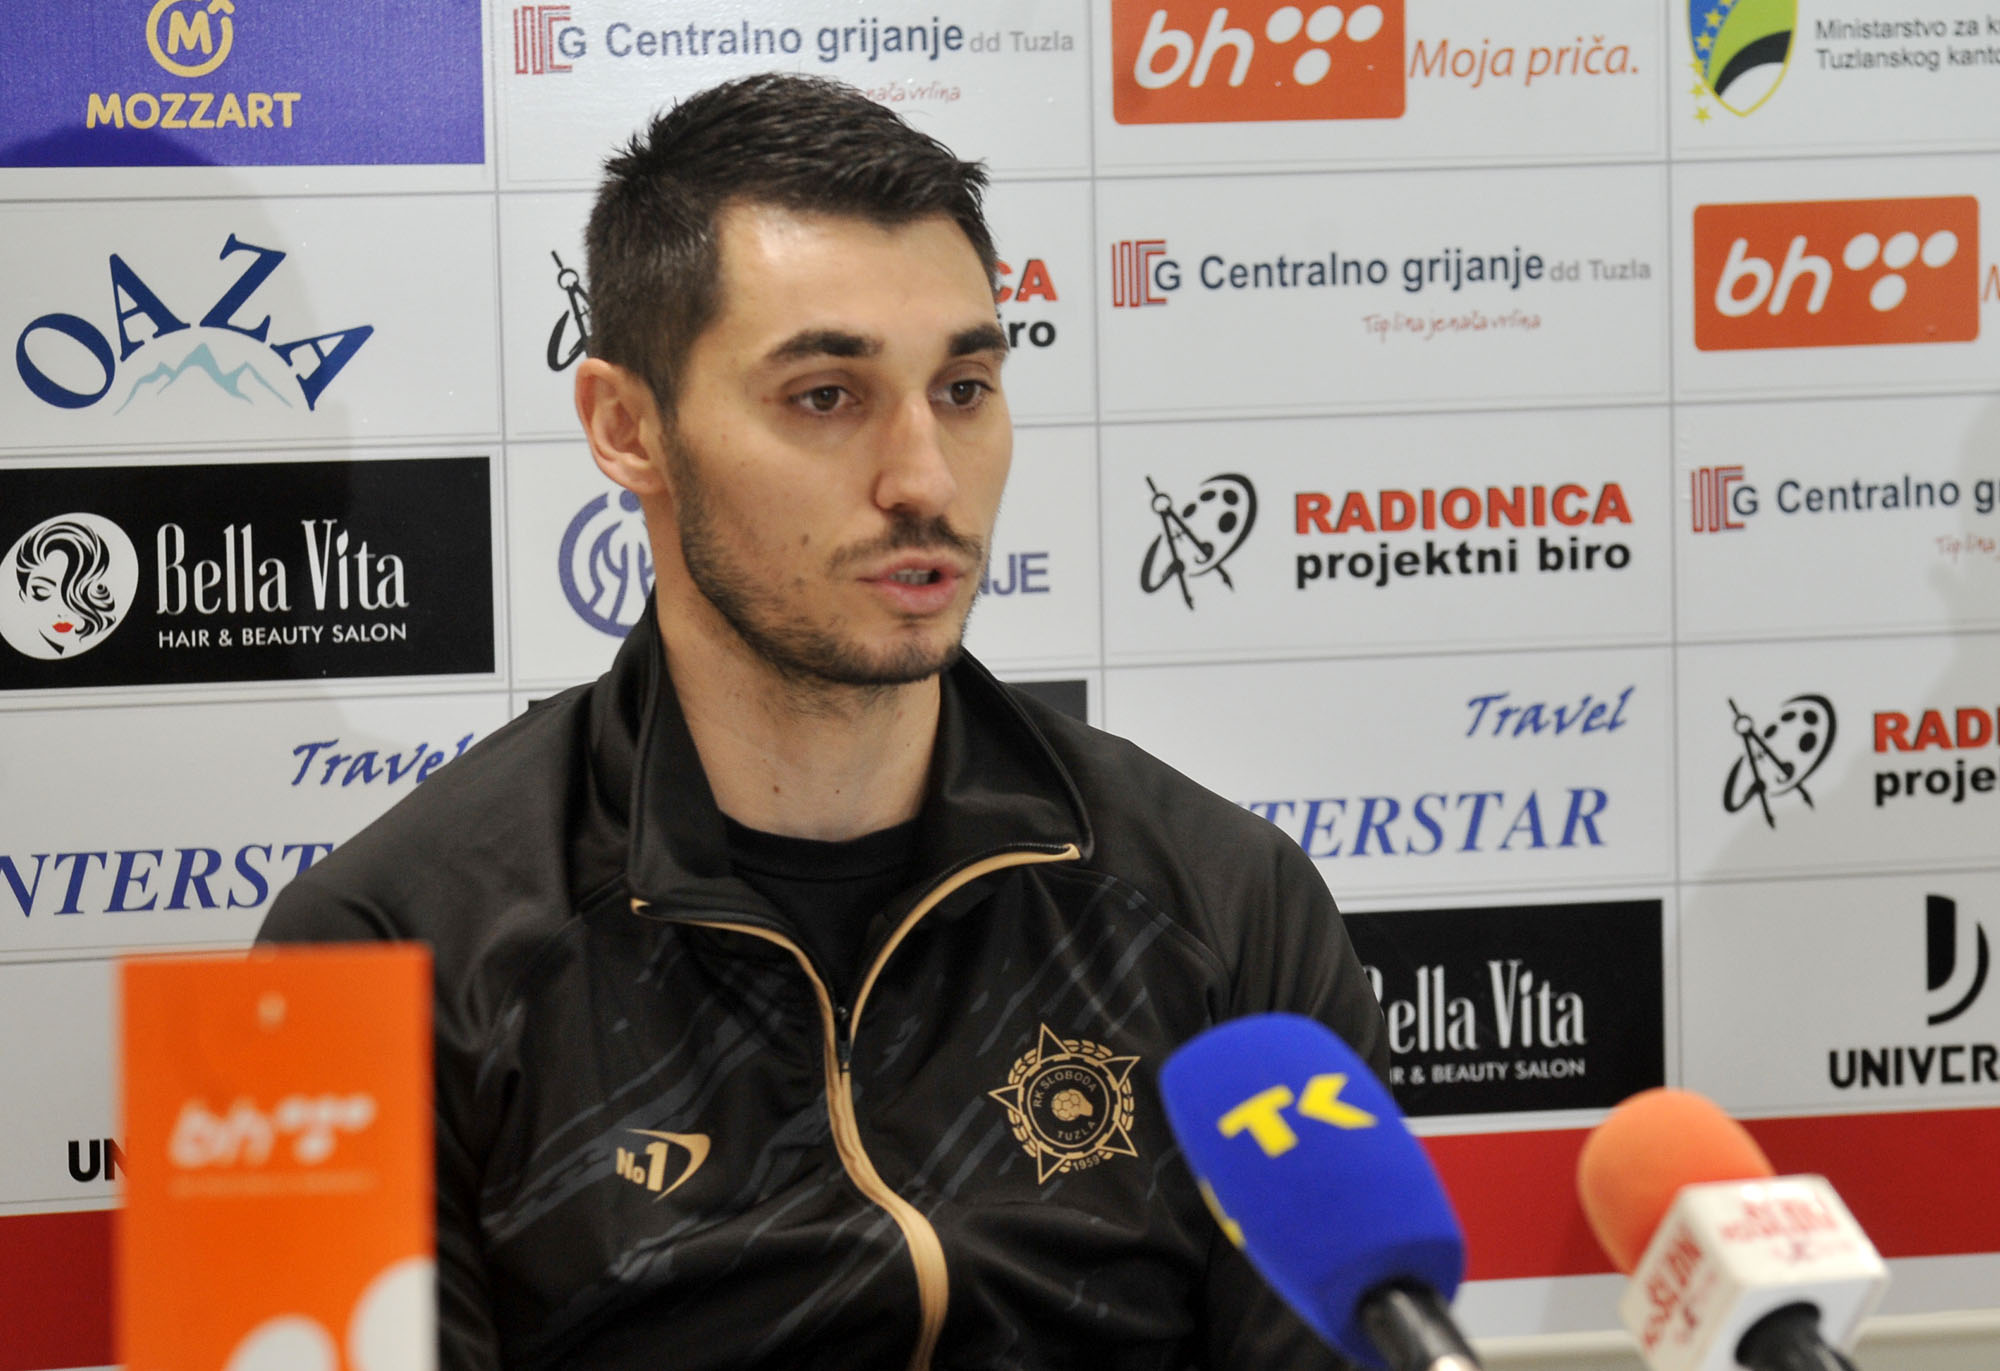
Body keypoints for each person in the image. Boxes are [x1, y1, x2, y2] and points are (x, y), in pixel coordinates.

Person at [260, 73, 1387, 1371]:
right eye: (825, 397)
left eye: (963, 388)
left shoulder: (1223, 907)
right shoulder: (383, 956)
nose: (923, 480)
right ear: (628, 428)